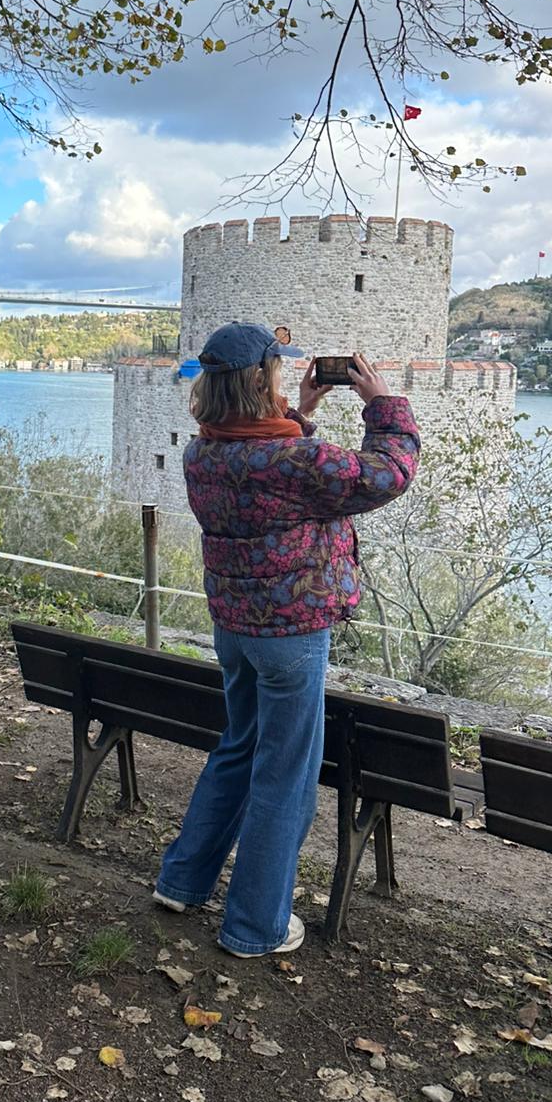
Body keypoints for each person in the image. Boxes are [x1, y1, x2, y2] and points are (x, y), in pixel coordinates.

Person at [152, 322, 420, 958]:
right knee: (286, 775)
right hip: (292, 634)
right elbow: (387, 474)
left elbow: (267, 459)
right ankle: (254, 925)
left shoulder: (203, 453)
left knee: (239, 746)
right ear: (261, 379)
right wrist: (383, 403)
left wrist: (301, 414)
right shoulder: (294, 460)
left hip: (233, 627)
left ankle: (182, 880)